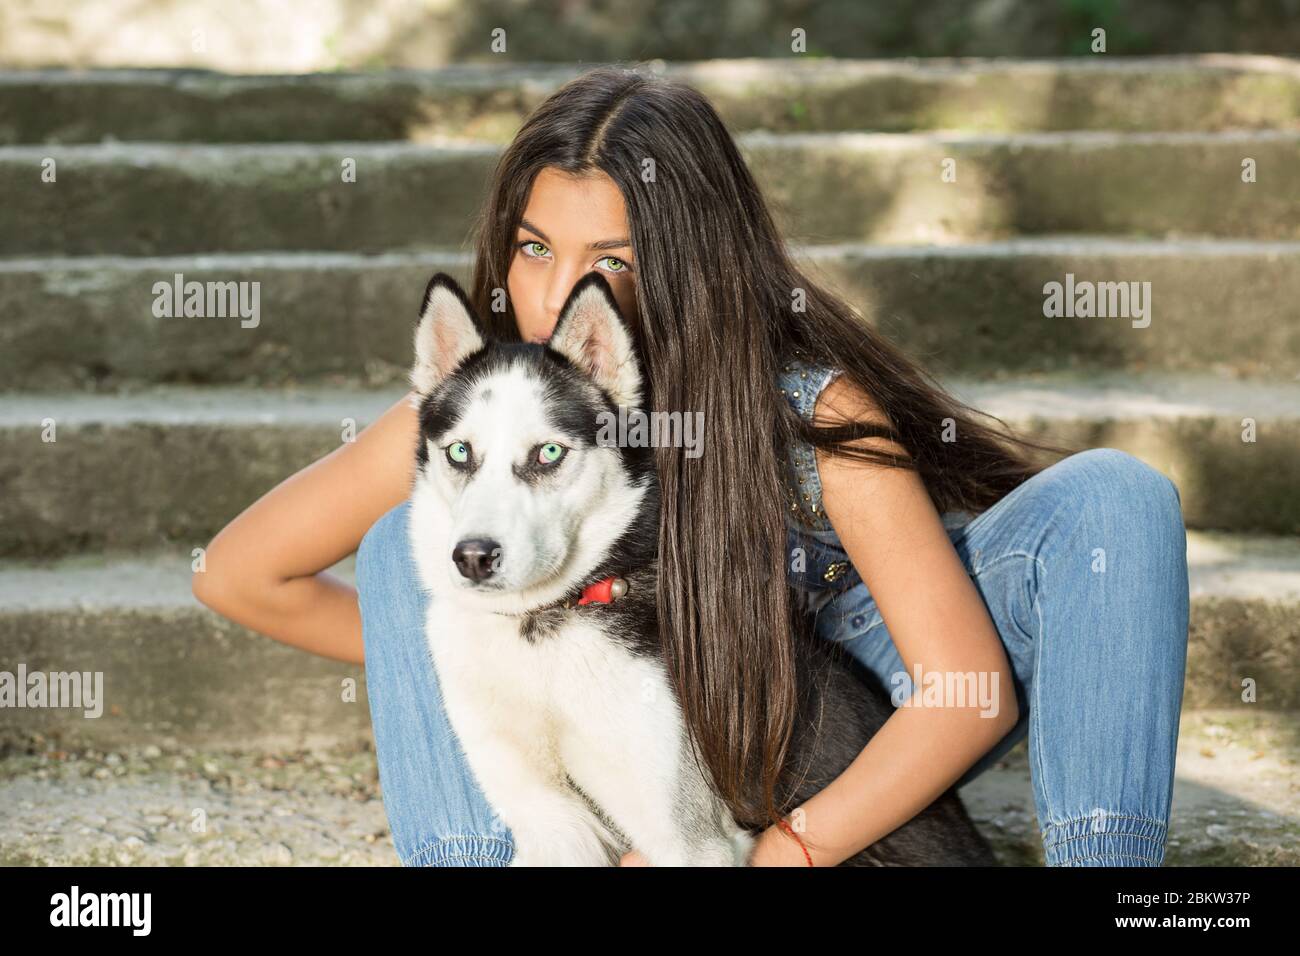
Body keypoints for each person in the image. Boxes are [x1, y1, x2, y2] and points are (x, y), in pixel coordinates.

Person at [192, 66, 1190, 867]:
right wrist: (502, 653)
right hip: (649, 711)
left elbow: (969, 686)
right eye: (533, 246)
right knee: (392, 545)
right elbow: (240, 574)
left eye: (610, 260)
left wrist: (797, 846)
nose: (554, 293)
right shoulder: (480, 409)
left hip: (860, 692)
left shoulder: (806, 402)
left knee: (1116, 497)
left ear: (687, 259)